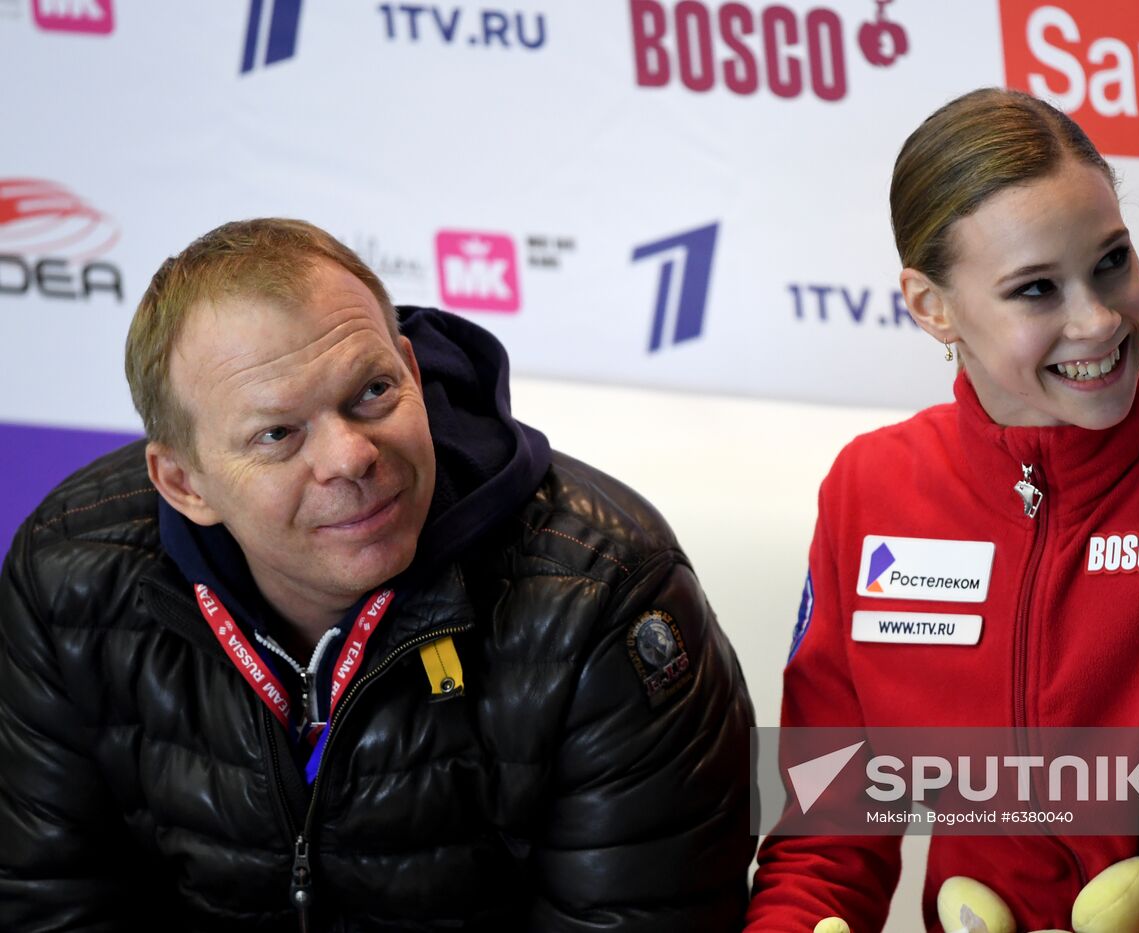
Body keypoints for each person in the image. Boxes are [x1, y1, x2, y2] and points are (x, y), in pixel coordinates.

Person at [0, 219, 756, 931]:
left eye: (371, 392)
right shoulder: (69, 577)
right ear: (184, 483)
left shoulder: (603, 594)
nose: (351, 457)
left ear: (412, 370)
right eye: (277, 433)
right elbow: (46, 901)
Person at [745, 88, 1139, 931]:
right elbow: (826, 834)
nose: (1098, 321)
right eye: (1037, 290)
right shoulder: (869, 491)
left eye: (1112, 261)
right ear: (931, 306)